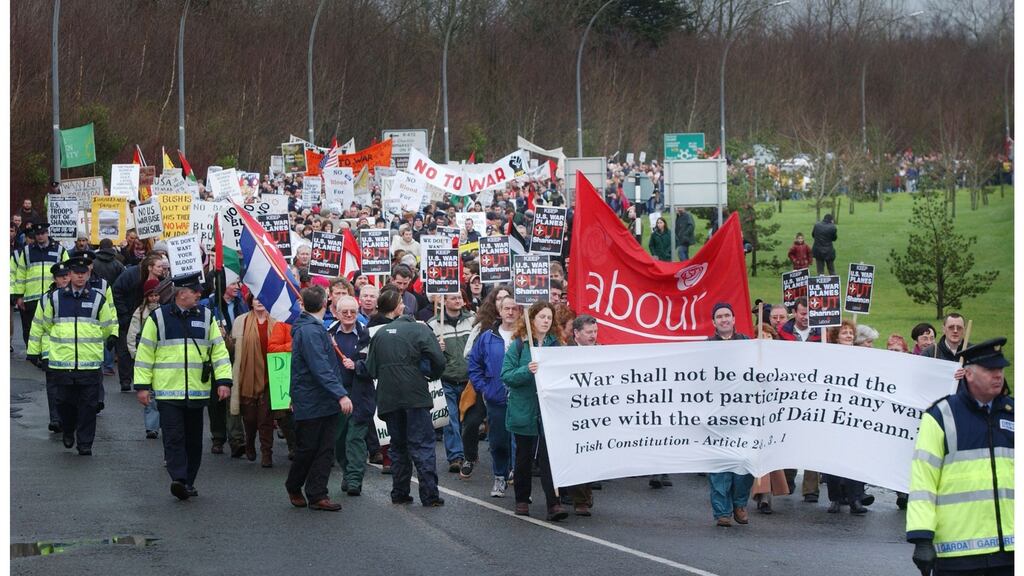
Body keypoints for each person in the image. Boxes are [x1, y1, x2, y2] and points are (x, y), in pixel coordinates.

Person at [907, 338, 1014, 576]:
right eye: (990, 370)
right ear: (968, 374)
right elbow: (923, 482)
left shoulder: (1015, 414)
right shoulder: (940, 416)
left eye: (1001, 368)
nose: (998, 375)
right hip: (958, 552)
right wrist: (921, 538)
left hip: (1011, 549)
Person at [133, 272, 233, 500]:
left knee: (193, 440)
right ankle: (178, 478)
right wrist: (142, 386)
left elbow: (218, 352)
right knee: (174, 437)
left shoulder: (207, 317)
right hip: (169, 391)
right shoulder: (158, 318)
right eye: (194, 291)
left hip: (197, 391)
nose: (199, 294)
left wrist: (224, 381)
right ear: (180, 294)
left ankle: (188, 480)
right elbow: (145, 353)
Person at [27, 256, 116, 456]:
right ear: (69, 275)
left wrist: (111, 337)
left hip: (89, 363)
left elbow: (107, 325)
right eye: (75, 273)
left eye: (83, 273)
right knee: (64, 403)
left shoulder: (97, 299)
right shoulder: (53, 298)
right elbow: (40, 325)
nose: (79, 277)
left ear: (88, 274)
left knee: (88, 406)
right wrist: (35, 351)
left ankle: (85, 443)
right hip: (62, 362)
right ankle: (68, 429)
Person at [367, 288, 446, 506]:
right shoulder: (419, 330)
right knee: (422, 445)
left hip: (389, 398)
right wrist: (432, 374)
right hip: (415, 395)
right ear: (401, 308)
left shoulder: (380, 334)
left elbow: (370, 369)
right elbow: (438, 360)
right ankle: (430, 496)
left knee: (398, 446)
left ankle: (400, 492)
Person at [285, 286, 353, 512]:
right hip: (311, 399)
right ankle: (294, 485)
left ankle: (317, 494)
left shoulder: (316, 328)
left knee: (325, 449)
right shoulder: (310, 331)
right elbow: (320, 368)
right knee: (308, 448)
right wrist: (341, 394)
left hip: (323, 400)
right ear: (326, 303)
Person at [503, 300, 567, 521]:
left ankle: (554, 503)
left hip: (549, 410)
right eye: (542, 317)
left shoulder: (557, 345)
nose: (546, 321)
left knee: (550, 458)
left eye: (549, 318)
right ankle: (522, 500)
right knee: (524, 458)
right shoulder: (519, 345)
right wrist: (526, 371)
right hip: (524, 408)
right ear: (532, 320)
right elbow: (506, 375)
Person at [705, 302, 754, 527]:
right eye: (719, 317)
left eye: (727, 316)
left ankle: (739, 504)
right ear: (714, 322)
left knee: (744, 463)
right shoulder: (706, 348)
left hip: (744, 415)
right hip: (717, 416)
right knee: (719, 465)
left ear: (734, 319)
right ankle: (721, 512)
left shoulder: (748, 344)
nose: (724, 319)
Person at [467, 294, 520, 499]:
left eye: (514, 308)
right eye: (506, 308)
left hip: (521, 399)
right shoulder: (488, 337)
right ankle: (500, 476)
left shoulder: (525, 337)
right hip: (496, 399)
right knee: (498, 441)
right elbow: (474, 365)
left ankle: (519, 479)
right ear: (499, 310)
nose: (510, 312)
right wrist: (485, 388)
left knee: (521, 441)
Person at [327, 295, 374, 496]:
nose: (348, 315)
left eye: (352, 312)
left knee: (355, 439)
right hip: (336, 396)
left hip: (359, 395)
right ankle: (347, 473)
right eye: (344, 312)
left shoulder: (366, 336)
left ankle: (355, 479)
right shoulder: (328, 335)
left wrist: (357, 366)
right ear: (336, 313)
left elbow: (374, 365)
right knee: (339, 440)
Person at [823, 320, 870, 514]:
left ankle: (855, 499)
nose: (849, 335)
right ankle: (835, 498)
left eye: (851, 332)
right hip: (832, 415)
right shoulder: (828, 356)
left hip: (856, 415)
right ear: (836, 336)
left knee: (855, 457)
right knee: (832, 457)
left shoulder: (863, 356)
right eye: (845, 332)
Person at [428, 293, 477, 476]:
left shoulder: (472, 320)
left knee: (470, 422)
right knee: (451, 420)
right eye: (453, 298)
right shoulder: (434, 324)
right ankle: (456, 456)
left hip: (469, 380)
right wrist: (435, 348)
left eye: (460, 298)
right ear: (444, 300)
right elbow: (426, 351)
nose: (458, 301)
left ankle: (470, 454)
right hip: (446, 379)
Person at [228, 297, 280, 466]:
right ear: (251, 301)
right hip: (247, 376)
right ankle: (249, 442)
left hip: (270, 376)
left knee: (265, 419)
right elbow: (233, 350)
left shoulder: (277, 321)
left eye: (264, 298)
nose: (260, 302)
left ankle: (267, 454)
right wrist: (226, 341)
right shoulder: (240, 321)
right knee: (250, 418)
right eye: (257, 298)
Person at [26, 261, 73, 434]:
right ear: (55, 279)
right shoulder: (46, 299)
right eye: (61, 277)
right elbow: (37, 325)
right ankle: (55, 418)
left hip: (73, 351)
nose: (65, 280)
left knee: (69, 387)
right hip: (50, 349)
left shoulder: (79, 296)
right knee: (53, 385)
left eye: (67, 276)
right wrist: (32, 351)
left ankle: (67, 419)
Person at [751, 323, 792, 514]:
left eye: (769, 336)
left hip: (774, 412)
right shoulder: (749, 359)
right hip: (752, 412)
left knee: (770, 452)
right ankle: (762, 493)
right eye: (762, 336)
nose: (766, 339)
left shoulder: (782, 360)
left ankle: (764, 493)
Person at [566, 314, 601, 516]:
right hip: (573, 412)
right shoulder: (564, 353)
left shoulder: (602, 352)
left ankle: (585, 492)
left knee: (591, 455)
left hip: (596, 413)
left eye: (595, 332)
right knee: (577, 453)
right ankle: (579, 499)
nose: (593, 336)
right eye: (589, 332)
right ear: (576, 333)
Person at [13, 222, 69, 347]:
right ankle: (32, 352)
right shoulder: (27, 251)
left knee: (51, 325)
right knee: (31, 327)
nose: (40, 236)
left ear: (47, 233)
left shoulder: (59, 249)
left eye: (42, 233)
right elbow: (21, 274)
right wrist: (19, 296)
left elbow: (68, 272)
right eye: (37, 234)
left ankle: (48, 353)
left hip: (53, 296)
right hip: (31, 297)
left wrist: (66, 291)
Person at [126, 278, 163, 439]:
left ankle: (162, 422)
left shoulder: (165, 311)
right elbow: (132, 334)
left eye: (157, 295)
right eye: (151, 296)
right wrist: (135, 354)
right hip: (145, 356)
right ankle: (152, 426)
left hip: (162, 357)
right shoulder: (140, 313)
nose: (154, 298)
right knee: (150, 393)